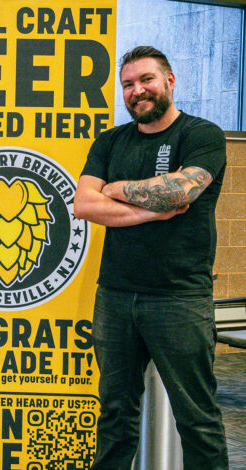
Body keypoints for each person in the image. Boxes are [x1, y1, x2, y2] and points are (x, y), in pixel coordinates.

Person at [73, 46, 228, 469]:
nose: (137, 90)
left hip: (179, 299)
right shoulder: (110, 141)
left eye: (146, 80)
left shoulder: (201, 135)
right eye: (128, 84)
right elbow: (84, 204)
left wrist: (115, 188)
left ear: (170, 81)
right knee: (115, 415)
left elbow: (181, 191)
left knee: (197, 419)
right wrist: (150, 207)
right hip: (116, 296)